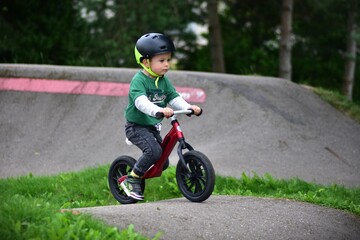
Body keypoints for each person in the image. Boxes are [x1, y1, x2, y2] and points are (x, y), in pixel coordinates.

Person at [123, 33, 202, 200]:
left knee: (162, 161)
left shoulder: (163, 81)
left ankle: (138, 169)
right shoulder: (139, 80)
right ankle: (132, 179)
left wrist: (189, 107)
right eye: (161, 60)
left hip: (152, 127)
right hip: (136, 127)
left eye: (168, 60)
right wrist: (157, 110)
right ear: (146, 62)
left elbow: (174, 97)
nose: (167, 64)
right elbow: (140, 102)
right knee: (153, 152)